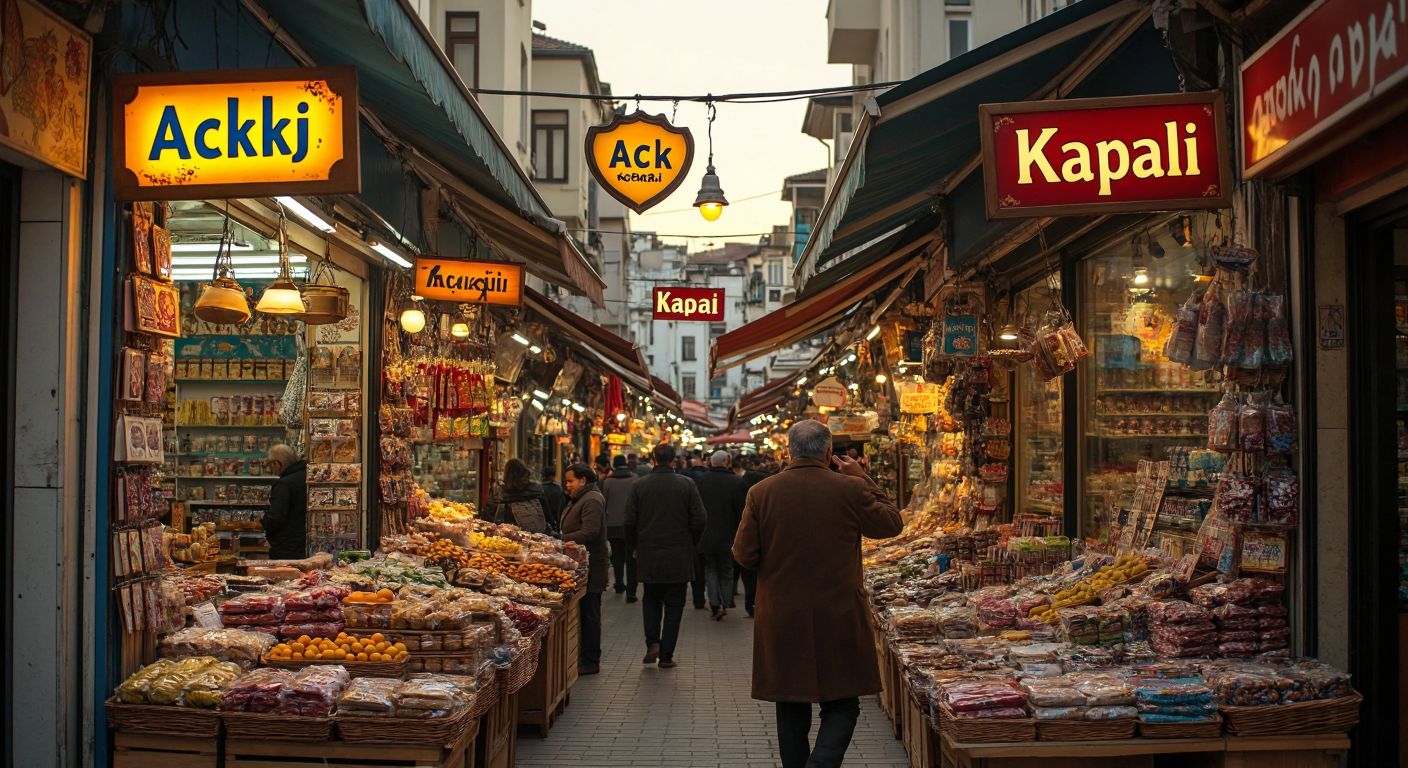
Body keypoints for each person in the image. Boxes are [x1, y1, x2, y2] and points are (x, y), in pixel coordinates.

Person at [733, 420, 903, 768]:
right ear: (828, 452)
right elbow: (891, 523)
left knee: (790, 703)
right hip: (838, 611)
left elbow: (744, 554)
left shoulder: (762, 492)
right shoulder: (849, 489)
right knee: (842, 702)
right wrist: (863, 477)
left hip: (782, 614)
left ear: (789, 451)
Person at [625, 444, 705, 669]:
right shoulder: (686, 485)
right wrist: (691, 542)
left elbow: (629, 521)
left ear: (653, 459)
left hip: (649, 553)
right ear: (673, 461)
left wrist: (634, 545)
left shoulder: (639, 485)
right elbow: (700, 519)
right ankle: (667, 655)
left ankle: (652, 643)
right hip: (679, 554)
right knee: (674, 605)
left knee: (650, 599)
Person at [559, 463, 608, 675]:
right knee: (587, 612)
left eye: (570, 480)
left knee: (590, 613)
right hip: (580, 564)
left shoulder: (592, 500)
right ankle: (586, 657)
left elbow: (590, 531)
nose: (567, 485)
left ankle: (590, 659)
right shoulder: (582, 498)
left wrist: (560, 540)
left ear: (583, 480)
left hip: (590, 566)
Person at [694, 450, 744, 620]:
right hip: (729, 536)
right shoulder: (737, 482)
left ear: (711, 462)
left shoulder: (700, 482)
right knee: (727, 570)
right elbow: (741, 513)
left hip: (706, 535)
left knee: (711, 569)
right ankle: (725, 601)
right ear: (726, 462)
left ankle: (714, 603)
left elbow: (696, 511)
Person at [732, 455, 771, 617]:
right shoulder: (767, 493)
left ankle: (751, 603)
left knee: (749, 576)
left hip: (750, 545)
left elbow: (743, 551)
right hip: (768, 546)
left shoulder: (748, 494)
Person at [601, 455, 639, 601]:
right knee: (631, 559)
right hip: (631, 524)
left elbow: (604, 503)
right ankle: (631, 591)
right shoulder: (635, 479)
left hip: (613, 525)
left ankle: (618, 584)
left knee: (617, 556)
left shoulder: (608, 482)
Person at [263, 444, 308, 560]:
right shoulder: (308, 476)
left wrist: (264, 522)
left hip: (287, 549)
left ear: (277, 464)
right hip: (306, 545)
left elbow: (275, 517)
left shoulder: (284, 484)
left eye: (270, 465)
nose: (271, 469)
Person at [485, 459, 548, 533]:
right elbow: (548, 516)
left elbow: (487, 520)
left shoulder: (500, 496)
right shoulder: (537, 492)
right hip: (538, 539)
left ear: (506, 475)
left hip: (508, 540)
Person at [539, 466, 567, 534]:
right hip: (554, 522)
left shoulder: (538, 489)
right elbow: (561, 508)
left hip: (541, 521)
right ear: (552, 476)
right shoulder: (558, 489)